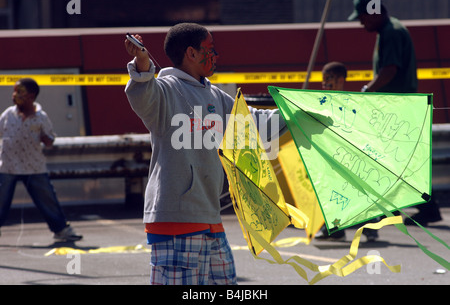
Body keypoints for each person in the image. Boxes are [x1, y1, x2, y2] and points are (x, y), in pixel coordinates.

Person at [124, 23, 286, 285]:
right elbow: (143, 93)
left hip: (210, 218)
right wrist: (142, 63)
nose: (217, 56)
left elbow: (254, 123)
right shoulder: (165, 90)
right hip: (174, 219)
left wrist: (298, 113)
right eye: (211, 49)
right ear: (191, 53)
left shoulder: (215, 95)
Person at [348, 0, 442, 226]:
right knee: (399, 160)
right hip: (397, 106)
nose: (361, 23)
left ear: (374, 13)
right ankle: (420, 208)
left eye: (362, 17)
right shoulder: (390, 30)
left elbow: (390, 69)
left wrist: (367, 90)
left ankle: (416, 208)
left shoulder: (391, 33)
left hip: (396, 108)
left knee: (396, 159)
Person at [0, 78, 82, 242]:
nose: (14, 95)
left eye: (19, 91)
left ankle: (61, 229)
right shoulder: (8, 114)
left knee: (47, 199)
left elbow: (50, 139)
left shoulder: (40, 117)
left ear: (31, 96)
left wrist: (46, 139)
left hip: (34, 166)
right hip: (8, 165)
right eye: (14, 91)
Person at [316, 62, 378, 242]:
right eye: (323, 80)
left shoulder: (351, 101)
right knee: (334, 193)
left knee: (358, 191)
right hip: (333, 154)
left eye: (329, 80)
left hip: (351, 154)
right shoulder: (323, 101)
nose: (325, 84)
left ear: (341, 80)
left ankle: (370, 227)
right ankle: (335, 228)